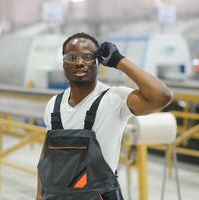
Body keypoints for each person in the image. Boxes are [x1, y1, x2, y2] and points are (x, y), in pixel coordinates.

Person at [36, 32, 173, 200]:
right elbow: (47, 157)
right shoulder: (53, 104)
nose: (79, 62)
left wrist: (119, 61)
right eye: (71, 57)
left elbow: (162, 96)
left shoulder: (115, 98)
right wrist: (39, 195)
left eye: (87, 57)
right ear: (63, 63)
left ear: (98, 62)